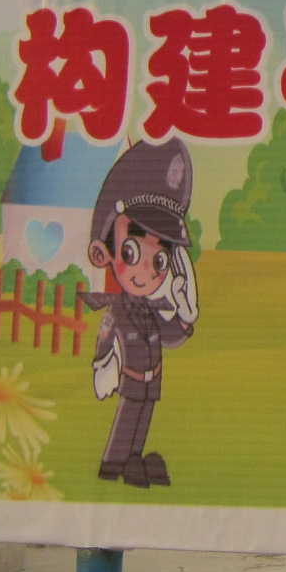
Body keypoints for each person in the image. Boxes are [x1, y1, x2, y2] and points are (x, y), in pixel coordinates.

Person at [81, 138, 199, 489]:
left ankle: (133, 458)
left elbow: (170, 336)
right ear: (103, 252)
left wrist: (186, 313)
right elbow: (107, 334)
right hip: (131, 376)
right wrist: (104, 364)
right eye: (132, 252)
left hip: (151, 378)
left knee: (143, 417)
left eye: (159, 261)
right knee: (128, 416)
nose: (147, 271)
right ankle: (112, 463)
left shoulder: (153, 306)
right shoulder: (119, 309)